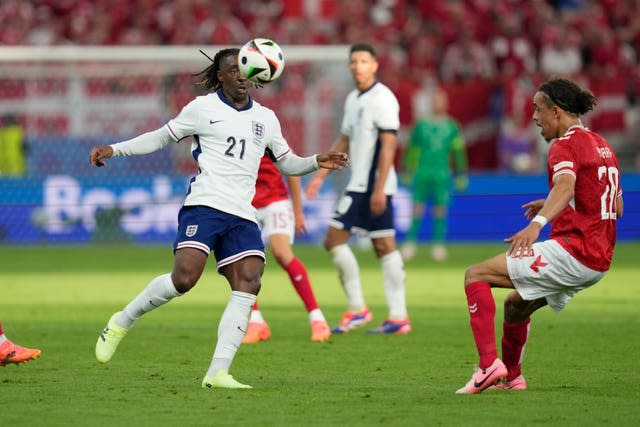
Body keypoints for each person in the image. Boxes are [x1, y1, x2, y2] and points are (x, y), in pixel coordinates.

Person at [89, 47, 348, 389]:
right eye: (234, 71)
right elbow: (160, 138)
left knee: (249, 282)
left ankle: (218, 373)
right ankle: (122, 320)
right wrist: (114, 148)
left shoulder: (266, 119)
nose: (242, 76)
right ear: (221, 76)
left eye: (245, 71)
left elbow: (288, 163)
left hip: (243, 213)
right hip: (206, 205)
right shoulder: (202, 108)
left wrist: (317, 160)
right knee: (184, 279)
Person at [456, 78, 623, 394]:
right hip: (598, 261)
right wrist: (556, 204)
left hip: (575, 253)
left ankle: (487, 366)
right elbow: (615, 207)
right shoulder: (603, 146)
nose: (533, 117)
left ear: (557, 112)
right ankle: (512, 378)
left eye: (537, 109)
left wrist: (537, 224)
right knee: (516, 305)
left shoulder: (565, 145)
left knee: (475, 275)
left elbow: (565, 186)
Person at [305, 43, 410, 335]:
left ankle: (360, 309)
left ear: (375, 65)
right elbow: (344, 140)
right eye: (353, 61)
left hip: (372, 186)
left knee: (334, 240)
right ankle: (395, 316)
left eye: (363, 61)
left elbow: (389, 145)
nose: (357, 66)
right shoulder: (353, 99)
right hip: (359, 184)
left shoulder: (384, 98)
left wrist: (379, 188)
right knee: (382, 245)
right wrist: (319, 175)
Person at [242, 155, 331, 343]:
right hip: (245, 203)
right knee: (244, 260)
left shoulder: (267, 131)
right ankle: (256, 323)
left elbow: (293, 170)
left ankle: (317, 318)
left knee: (282, 253)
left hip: (275, 201)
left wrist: (298, 212)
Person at [400, 87, 468, 262]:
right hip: (422, 171)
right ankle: (410, 243)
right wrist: (408, 169)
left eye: (441, 100)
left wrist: (461, 173)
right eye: (435, 100)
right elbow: (412, 149)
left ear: (445, 103)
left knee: (440, 209)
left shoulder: (452, 126)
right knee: (417, 208)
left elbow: (458, 151)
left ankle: (438, 245)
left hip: (442, 173)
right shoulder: (421, 125)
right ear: (431, 103)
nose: (438, 104)